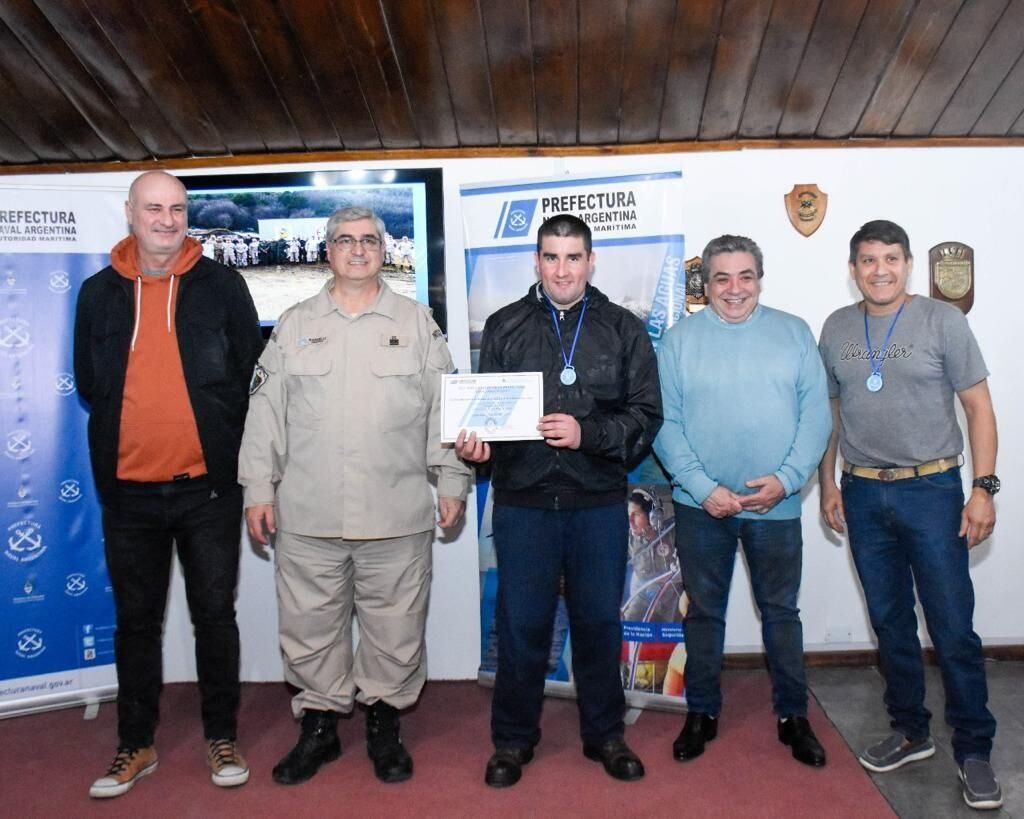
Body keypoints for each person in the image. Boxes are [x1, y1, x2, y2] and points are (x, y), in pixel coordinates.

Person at [239, 206, 471, 786]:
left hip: (395, 514)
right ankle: (318, 728)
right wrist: (257, 490)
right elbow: (264, 414)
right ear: (328, 249)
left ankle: (384, 723)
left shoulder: (418, 323)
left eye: (369, 240)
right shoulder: (293, 323)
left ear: (385, 248)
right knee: (309, 627)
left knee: (396, 627)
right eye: (346, 240)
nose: (359, 249)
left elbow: (446, 409)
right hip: (309, 513)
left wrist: (452, 480)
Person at [74, 170, 263, 798]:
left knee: (215, 616)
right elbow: (89, 382)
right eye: (154, 207)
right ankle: (136, 743)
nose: (167, 219)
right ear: (129, 212)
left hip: (207, 489)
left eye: (177, 208)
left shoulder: (223, 285)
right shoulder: (97, 293)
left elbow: (246, 373)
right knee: (136, 622)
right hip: (127, 493)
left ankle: (221, 735)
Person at [455, 213, 662, 788]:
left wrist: (586, 434)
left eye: (574, 258)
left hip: (596, 502)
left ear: (591, 262)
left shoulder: (624, 329)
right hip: (522, 504)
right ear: (537, 261)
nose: (562, 269)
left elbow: (646, 417)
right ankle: (513, 741)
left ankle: (605, 734)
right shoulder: (504, 325)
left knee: (598, 622)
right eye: (551, 257)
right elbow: (487, 420)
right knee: (522, 625)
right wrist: (477, 450)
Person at [818, 219, 1002, 810]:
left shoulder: (942, 320)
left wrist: (984, 488)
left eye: (891, 259)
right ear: (853, 269)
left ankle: (974, 750)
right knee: (891, 623)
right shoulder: (837, 327)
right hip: (864, 494)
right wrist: (828, 484)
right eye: (868, 260)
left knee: (951, 627)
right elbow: (832, 413)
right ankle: (910, 730)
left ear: (908, 265)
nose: (880, 270)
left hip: (933, 491)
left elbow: (978, 407)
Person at [654, 234, 831, 769]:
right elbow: (664, 423)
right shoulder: (679, 341)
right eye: (722, 278)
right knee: (704, 615)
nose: (735, 289)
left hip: (773, 507)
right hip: (699, 508)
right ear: (705, 284)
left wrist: (788, 479)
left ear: (760, 277)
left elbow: (817, 416)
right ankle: (702, 712)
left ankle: (793, 715)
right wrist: (705, 490)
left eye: (745, 276)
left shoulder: (794, 334)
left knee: (781, 613)